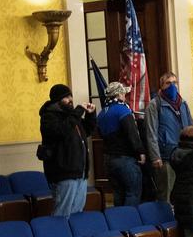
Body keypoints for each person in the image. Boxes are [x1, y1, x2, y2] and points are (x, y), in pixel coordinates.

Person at [37, 84, 95, 217]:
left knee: (77, 213)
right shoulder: (49, 116)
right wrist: (78, 111)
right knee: (62, 214)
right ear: (57, 100)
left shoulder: (71, 116)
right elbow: (62, 131)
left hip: (80, 172)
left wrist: (91, 115)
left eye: (71, 96)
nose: (70, 99)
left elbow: (87, 130)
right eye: (66, 97)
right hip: (63, 173)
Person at [145, 72, 193, 202]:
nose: (172, 86)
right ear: (161, 86)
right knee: (165, 193)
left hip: (185, 154)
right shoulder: (155, 104)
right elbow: (151, 132)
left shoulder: (183, 103)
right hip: (166, 156)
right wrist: (155, 156)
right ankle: (165, 221)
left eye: (174, 82)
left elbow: (191, 127)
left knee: (184, 191)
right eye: (168, 83)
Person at [98, 82, 145, 207]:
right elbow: (132, 133)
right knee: (132, 193)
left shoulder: (102, 113)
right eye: (124, 93)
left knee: (118, 193)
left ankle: (119, 222)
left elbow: (100, 135)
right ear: (119, 94)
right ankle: (130, 223)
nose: (125, 95)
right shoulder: (123, 110)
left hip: (108, 159)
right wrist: (140, 151)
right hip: (125, 159)